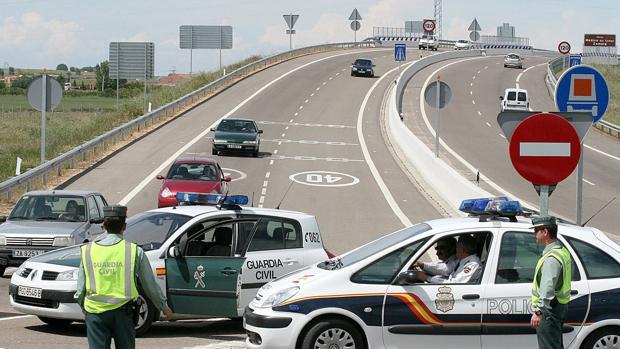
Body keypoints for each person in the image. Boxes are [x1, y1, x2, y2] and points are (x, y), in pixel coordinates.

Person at [75, 205, 173, 349]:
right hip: (123, 313)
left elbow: (80, 289)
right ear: (125, 226)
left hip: (95, 313)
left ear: (103, 226)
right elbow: (149, 285)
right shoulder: (134, 251)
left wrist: (84, 307)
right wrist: (163, 307)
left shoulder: (88, 250)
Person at [529, 216, 572, 349]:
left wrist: (538, 312)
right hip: (557, 308)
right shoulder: (562, 251)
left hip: (549, 311)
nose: (534, 234)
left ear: (545, 232)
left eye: (536, 231)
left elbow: (547, 288)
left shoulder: (551, 258)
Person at [417, 235, 482, 283]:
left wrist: (427, 278)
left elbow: (455, 283)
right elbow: (446, 269)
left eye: (457, 247)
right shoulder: (463, 260)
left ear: (462, 250)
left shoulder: (472, 264)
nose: (455, 250)